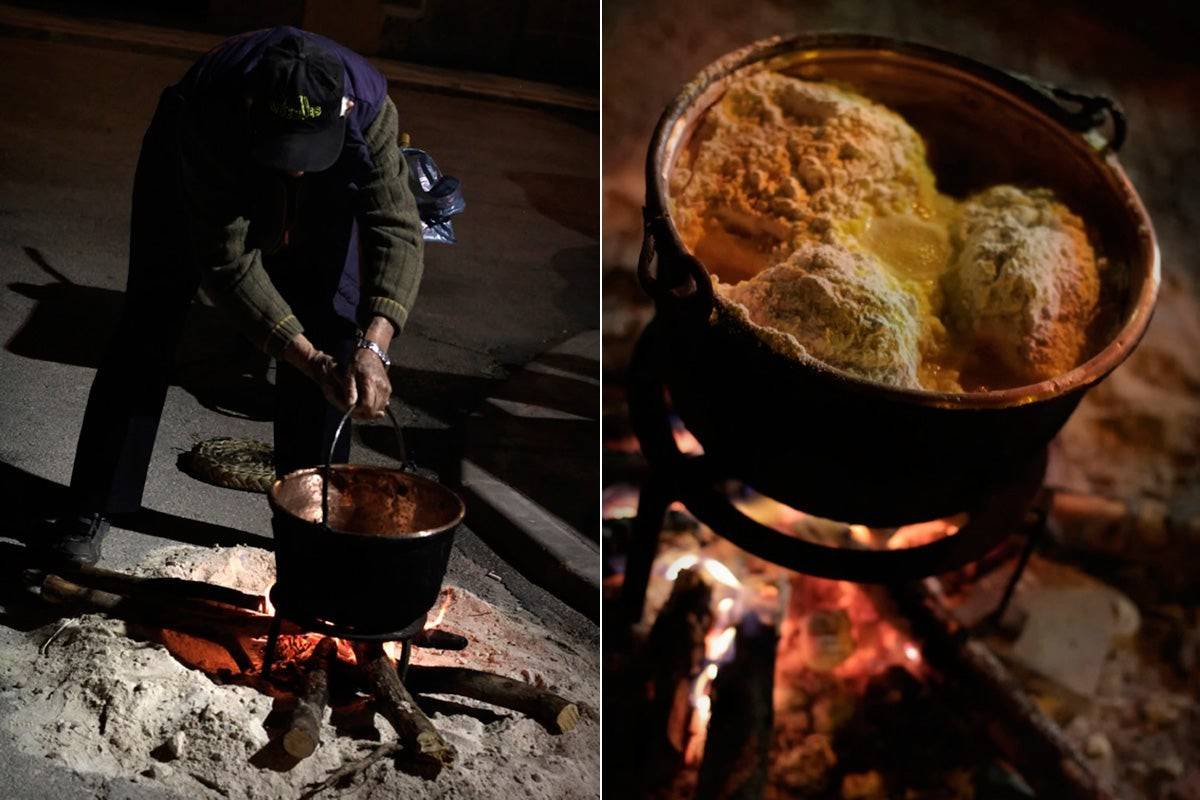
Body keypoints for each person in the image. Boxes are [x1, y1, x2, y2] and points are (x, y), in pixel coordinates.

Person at [38, 26, 424, 564]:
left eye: (305, 152)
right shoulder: (210, 110)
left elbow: (395, 226)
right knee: (150, 318)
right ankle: (94, 504)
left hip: (330, 168)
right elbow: (228, 260)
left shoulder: (371, 109)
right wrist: (304, 357)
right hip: (195, 161)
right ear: (252, 106)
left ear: (341, 108)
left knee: (334, 329)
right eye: (285, 151)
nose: (294, 166)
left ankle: (310, 529)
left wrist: (375, 344)